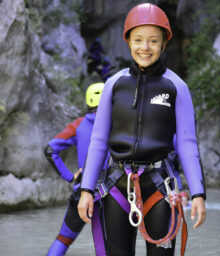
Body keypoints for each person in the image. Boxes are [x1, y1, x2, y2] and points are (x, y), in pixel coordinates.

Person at [78, 3, 206, 256]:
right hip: (116, 186)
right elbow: (99, 140)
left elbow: (187, 143)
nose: (145, 48)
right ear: (128, 41)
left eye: (153, 41)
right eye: (138, 39)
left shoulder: (176, 87)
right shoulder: (114, 85)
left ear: (164, 43)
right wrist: (86, 190)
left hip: (159, 186)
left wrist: (198, 193)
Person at [44, 83, 105, 256]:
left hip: (82, 191)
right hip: (109, 192)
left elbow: (50, 150)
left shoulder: (79, 125)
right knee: (106, 246)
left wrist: (71, 178)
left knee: (63, 239)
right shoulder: (118, 125)